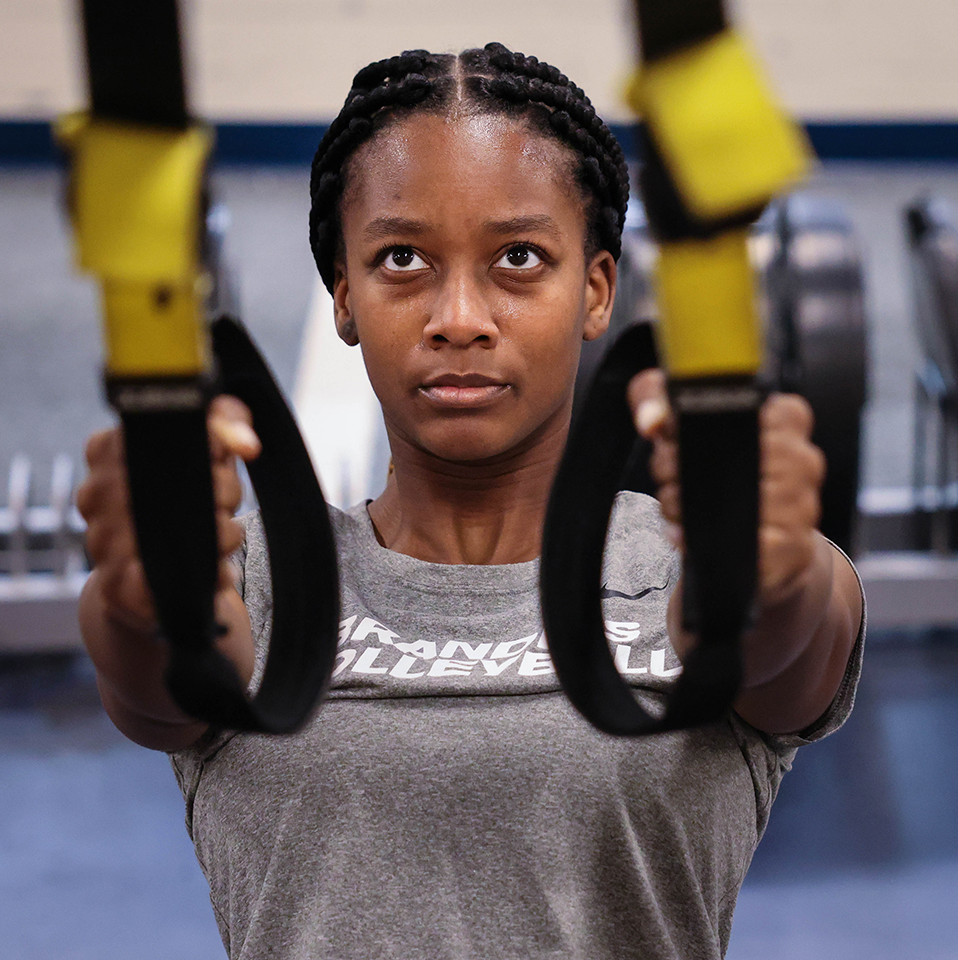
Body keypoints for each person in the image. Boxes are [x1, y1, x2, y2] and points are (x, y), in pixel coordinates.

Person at [76, 43, 864, 960]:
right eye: (402, 258)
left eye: (519, 258)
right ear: (343, 295)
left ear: (596, 288)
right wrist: (145, 586)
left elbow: (786, 635)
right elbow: (155, 670)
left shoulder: (686, 570)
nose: (459, 316)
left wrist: (766, 565)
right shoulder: (244, 575)